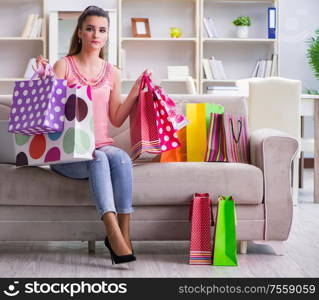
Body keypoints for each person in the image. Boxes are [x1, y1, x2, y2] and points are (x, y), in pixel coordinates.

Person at [36, 5, 152, 265]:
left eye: (102, 30)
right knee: (98, 158)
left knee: (120, 157)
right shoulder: (63, 65)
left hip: (100, 145)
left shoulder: (112, 72)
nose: (95, 34)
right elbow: (49, 115)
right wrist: (45, 79)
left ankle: (125, 232)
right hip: (67, 152)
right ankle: (111, 231)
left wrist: (135, 90)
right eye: (90, 29)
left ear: (107, 35)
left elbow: (116, 118)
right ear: (79, 33)